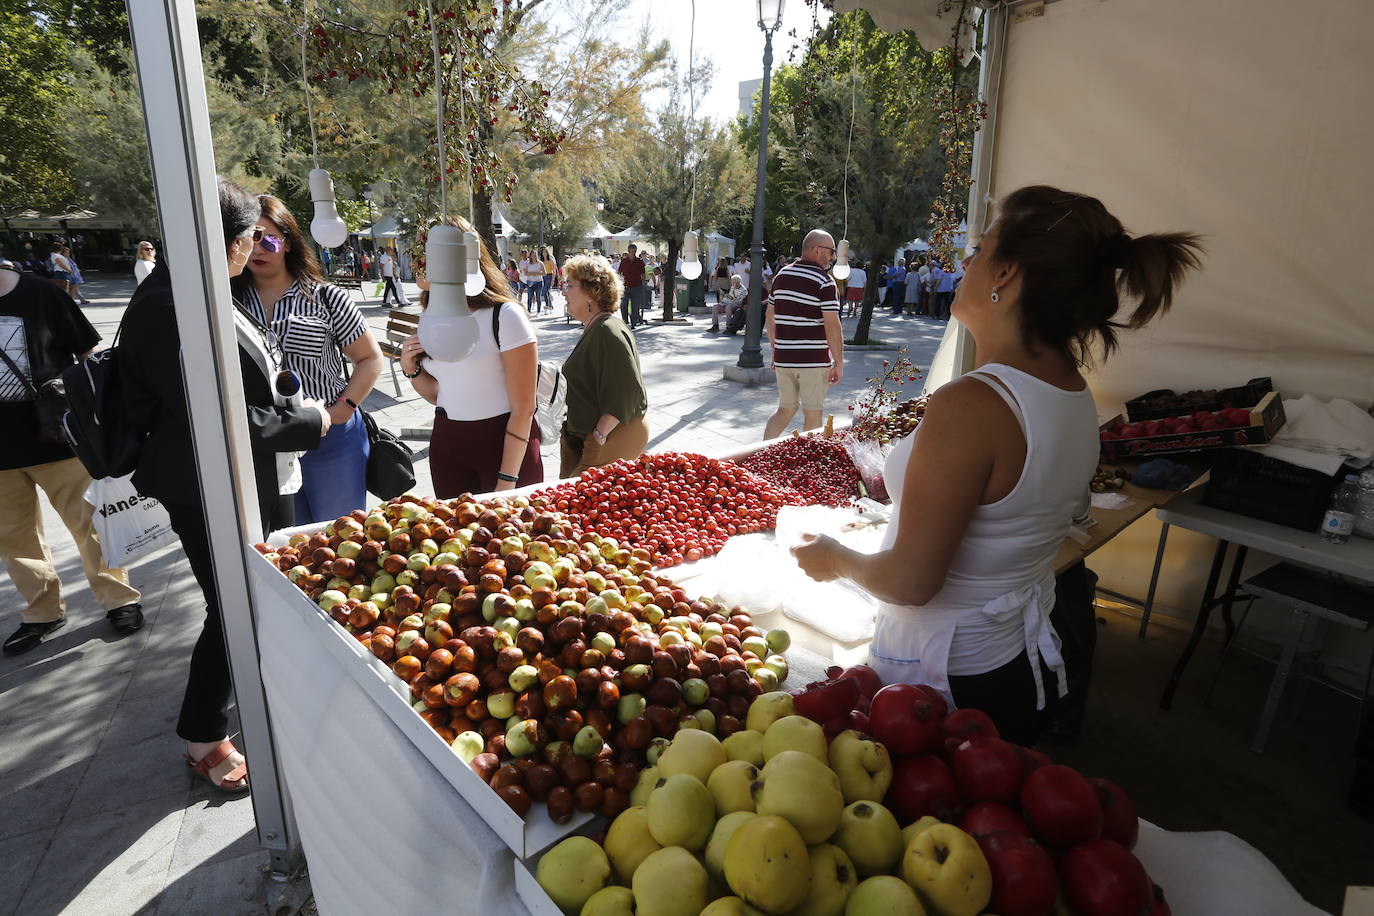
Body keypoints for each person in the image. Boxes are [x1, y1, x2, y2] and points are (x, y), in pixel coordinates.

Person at [792, 185, 1202, 743]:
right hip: (1008, 660)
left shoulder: (972, 405)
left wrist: (835, 558)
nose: (967, 262)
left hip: (942, 680)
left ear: (1006, 274)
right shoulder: (1072, 392)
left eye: (980, 249)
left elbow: (913, 581)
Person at [121, 176, 333, 791]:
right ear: (232, 243)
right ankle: (203, 733)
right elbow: (212, 418)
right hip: (206, 485)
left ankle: (255, 695)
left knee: (253, 597)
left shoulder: (195, 290)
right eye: (254, 237)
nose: (257, 249)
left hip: (238, 477)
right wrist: (310, 419)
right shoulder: (171, 305)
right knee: (233, 604)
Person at [0, 264, 143, 655]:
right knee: (14, 539)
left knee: (89, 524)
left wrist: (98, 418)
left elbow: (89, 356)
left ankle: (120, 599)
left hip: (58, 439)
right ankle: (41, 612)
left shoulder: (41, 293)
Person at [232, 195, 382, 524]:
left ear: (288, 243)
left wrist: (342, 409)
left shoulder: (325, 297)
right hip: (270, 442)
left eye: (268, 238)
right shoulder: (231, 302)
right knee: (292, 543)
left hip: (332, 440)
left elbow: (370, 359)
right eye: (250, 237)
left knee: (340, 535)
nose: (258, 248)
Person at [399, 216, 542, 498]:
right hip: (448, 445)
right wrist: (411, 370)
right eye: (418, 255)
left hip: (504, 446)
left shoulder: (505, 316)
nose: (419, 264)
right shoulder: (432, 316)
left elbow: (525, 408)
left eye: (426, 254)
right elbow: (441, 393)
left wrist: (506, 481)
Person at [559, 254, 648, 476]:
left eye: (569, 285)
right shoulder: (596, 327)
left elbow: (627, 390)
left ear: (592, 292)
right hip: (594, 439)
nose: (563, 291)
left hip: (609, 439)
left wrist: (597, 438)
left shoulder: (608, 330)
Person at [762, 230, 843, 441]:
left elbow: (770, 314)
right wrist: (839, 362)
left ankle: (759, 454)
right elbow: (832, 325)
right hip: (812, 361)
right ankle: (807, 463)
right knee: (813, 413)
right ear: (816, 250)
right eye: (831, 251)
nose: (833, 257)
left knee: (785, 409)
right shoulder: (825, 282)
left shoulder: (782, 275)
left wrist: (775, 348)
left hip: (784, 358)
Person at [616, 243, 647, 327]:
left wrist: (643, 283)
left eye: (634, 251)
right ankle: (625, 320)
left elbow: (643, 273)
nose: (633, 253)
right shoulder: (624, 261)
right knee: (623, 304)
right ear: (628, 251)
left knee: (635, 306)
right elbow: (619, 272)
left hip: (637, 286)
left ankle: (633, 323)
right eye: (631, 251)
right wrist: (619, 282)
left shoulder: (639, 261)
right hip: (626, 286)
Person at [520, 249, 545, 314]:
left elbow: (544, 273)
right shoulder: (528, 264)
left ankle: (538, 311)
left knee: (538, 297)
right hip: (530, 282)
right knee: (529, 297)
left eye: (535, 255)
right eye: (533, 255)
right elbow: (525, 273)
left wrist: (536, 273)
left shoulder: (540, 263)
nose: (534, 256)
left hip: (538, 282)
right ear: (530, 256)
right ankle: (529, 311)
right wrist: (532, 273)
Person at [540, 247, 556, 313]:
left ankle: (547, 305)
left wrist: (553, 279)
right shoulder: (541, 261)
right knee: (547, 292)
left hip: (549, 276)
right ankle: (550, 306)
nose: (544, 254)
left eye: (546, 252)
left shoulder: (551, 261)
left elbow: (554, 270)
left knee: (544, 291)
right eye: (543, 252)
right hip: (543, 276)